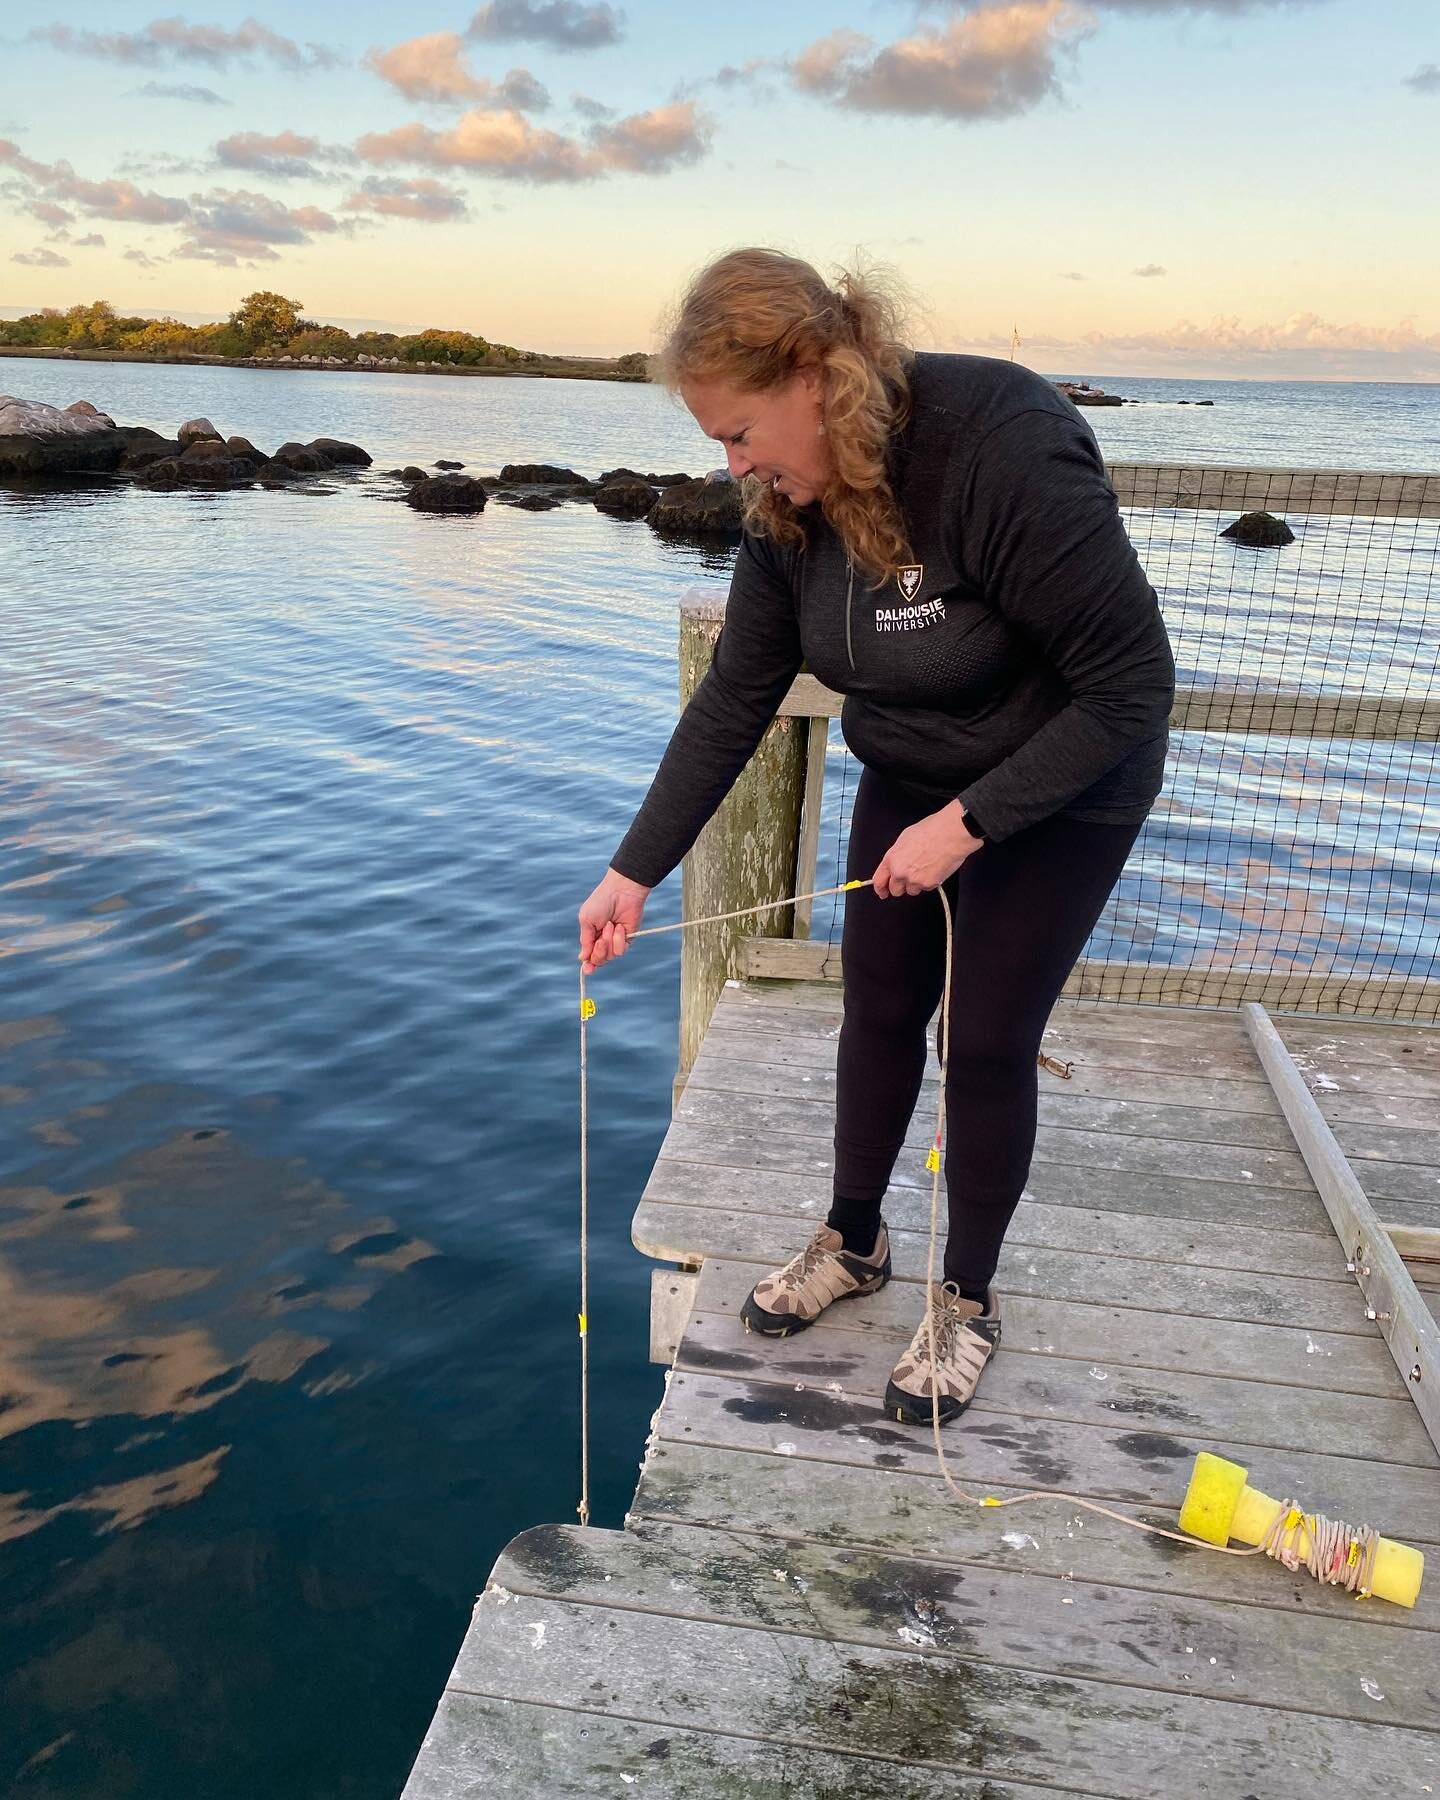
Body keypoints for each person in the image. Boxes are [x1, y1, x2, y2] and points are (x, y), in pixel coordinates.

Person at [579, 248, 1174, 1425]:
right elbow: (738, 694)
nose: (732, 463)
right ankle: (855, 1242)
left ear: (816, 376)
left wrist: (970, 825)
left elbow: (1132, 685)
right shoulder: (783, 506)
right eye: (718, 441)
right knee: (879, 1007)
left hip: (1067, 774)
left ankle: (968, 1299)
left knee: (987, 1040)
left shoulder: (999, 441)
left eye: (741, 432)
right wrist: (632, 869)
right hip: (914, 767)